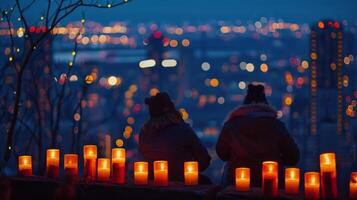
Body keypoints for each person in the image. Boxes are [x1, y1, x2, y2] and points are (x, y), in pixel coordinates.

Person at [216, 83, 300, 187]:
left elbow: (222, 153)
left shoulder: (231, 125)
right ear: (265, 105)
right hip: (271, 185)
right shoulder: (276, 126)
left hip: (236, 184)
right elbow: (293, 157)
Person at [139, 92, 211, 183]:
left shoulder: (144, 133)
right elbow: (204, 160)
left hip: (152, 184)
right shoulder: (182, 130)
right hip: (183, 185)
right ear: (171, 109)